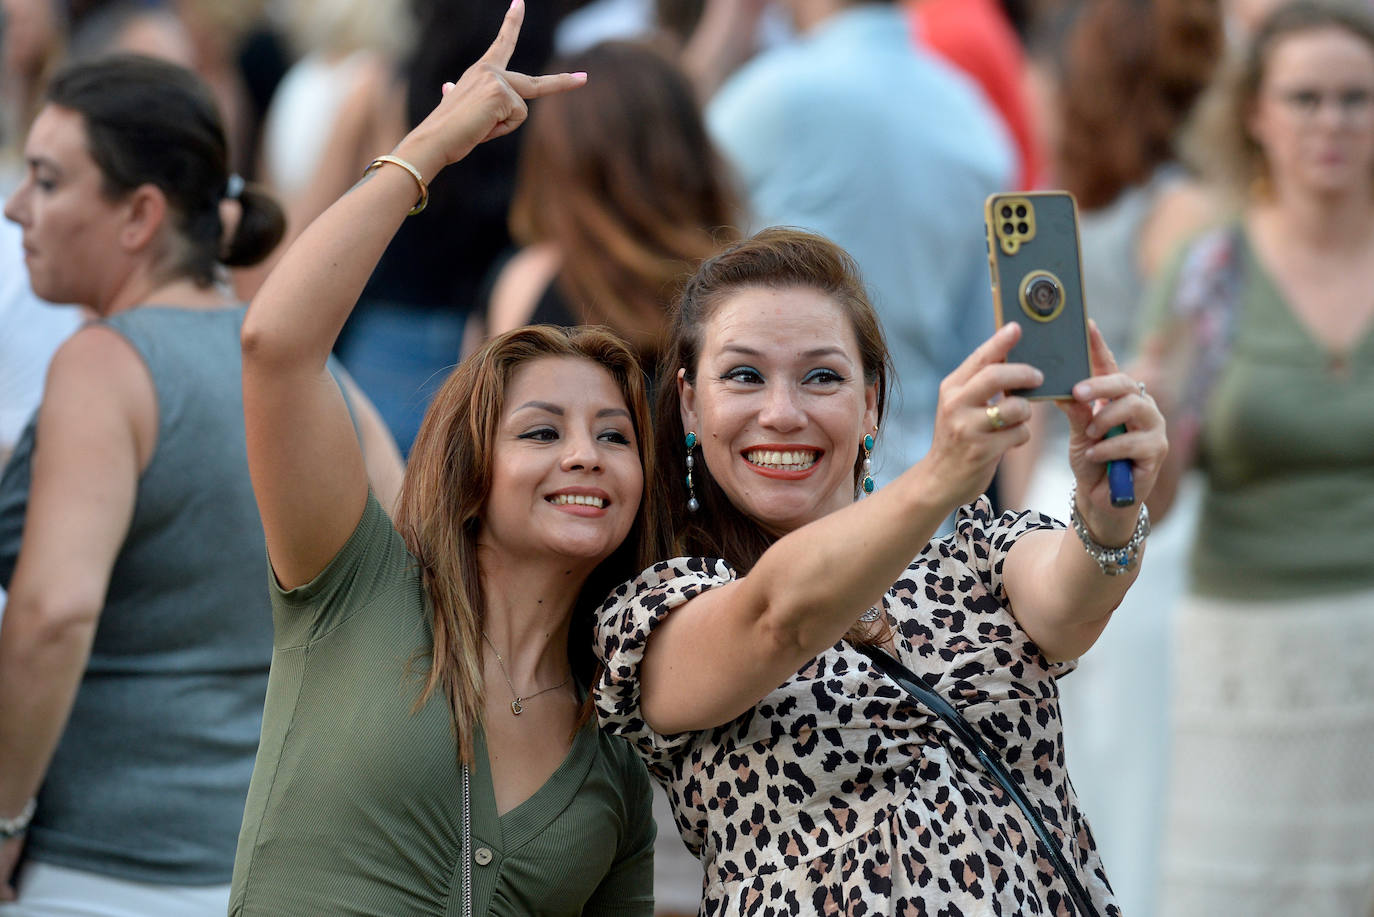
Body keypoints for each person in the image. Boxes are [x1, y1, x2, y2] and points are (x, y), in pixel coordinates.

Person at [593, 227, 1168, 915]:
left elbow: (1070, 603)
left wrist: (1107, 516)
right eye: (744, 375)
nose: (781, 412)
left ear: (870, 403)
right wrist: (937, 479)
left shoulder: (975, 558)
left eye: (822, 377)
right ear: (690, 402)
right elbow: (778, 618)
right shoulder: (656, 608)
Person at [230, 4, 657, 913]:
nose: (584, 455)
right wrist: (432, 145)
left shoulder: (615, 750)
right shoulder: (357, 588)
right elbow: (274, 343)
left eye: (615, 435)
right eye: (541, 431)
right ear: (472, 472)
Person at [0, 55, 400, 915]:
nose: (15, 207)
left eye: (46, 180)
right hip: (276, 860)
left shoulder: (102, 366)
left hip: (100, 867)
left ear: (140, 214)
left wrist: (1, 823)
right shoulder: (311, 375)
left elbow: (51, 613)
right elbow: (409, 577)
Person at [1139, 2, 1374, 913]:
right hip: (1251, 658)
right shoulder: (1210, 274)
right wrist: (1149, 424)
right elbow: (1149, 507)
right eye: (1306, 98)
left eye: (1357, 99)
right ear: (1255, 114)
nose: (1332, 123)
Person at [704, 0, 1013, 492]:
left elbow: (659, 189)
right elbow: (984, 341)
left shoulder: (774, 93)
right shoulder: (973, 118)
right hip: (922, 482)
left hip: (780, 470)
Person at [484, 39, 741, 364]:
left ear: (554, 157)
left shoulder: (526, 283)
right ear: (688, 152)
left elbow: (486, 409)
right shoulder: (738, 286)